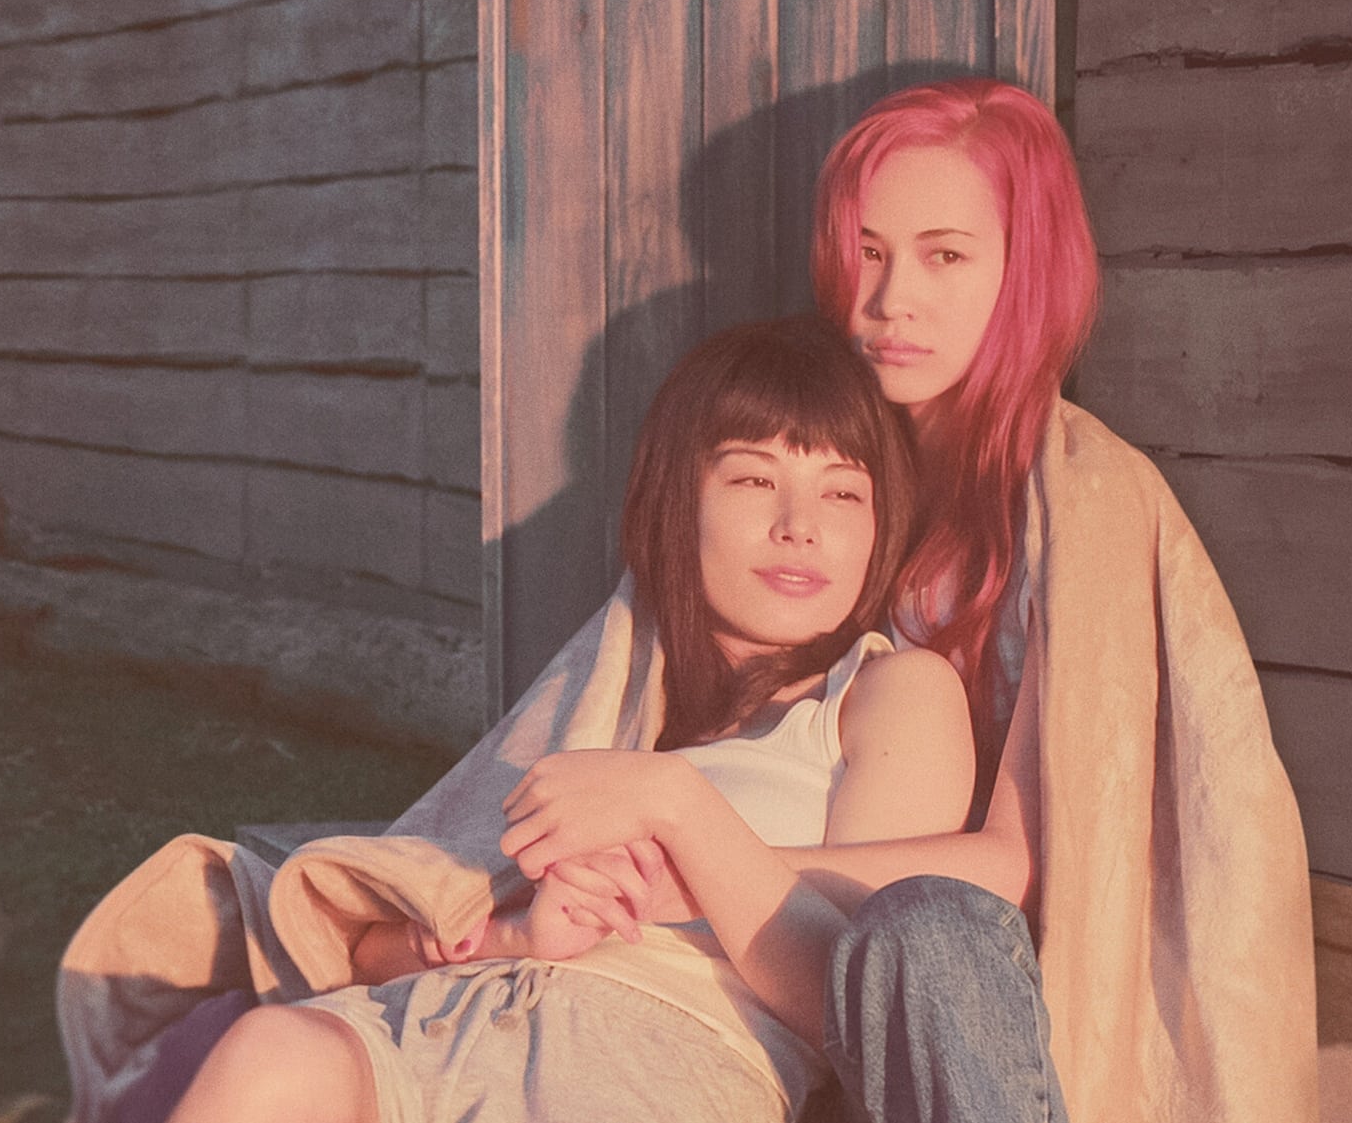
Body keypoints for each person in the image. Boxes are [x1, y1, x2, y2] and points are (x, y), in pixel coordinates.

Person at [497, 77, 1320, 1123]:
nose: (891, 300)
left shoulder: (1082, 501)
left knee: (925, 928)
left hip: (968, 975)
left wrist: (701, 860)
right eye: (868, 252)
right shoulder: (825, 461)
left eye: (945, 256)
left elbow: (1017, 868)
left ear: (1026, 271)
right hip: (791, 943)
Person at [155, 316, 981, 1123]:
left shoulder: (889, 692)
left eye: (842, 491)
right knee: (270, 1052)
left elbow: (875, 1015)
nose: (799, 525)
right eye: (754, 480)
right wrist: (521, 931)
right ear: (678, 501)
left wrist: (678, 804)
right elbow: (369, 948)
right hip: (448, 1017)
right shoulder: (609, 688)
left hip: (653, 1062)